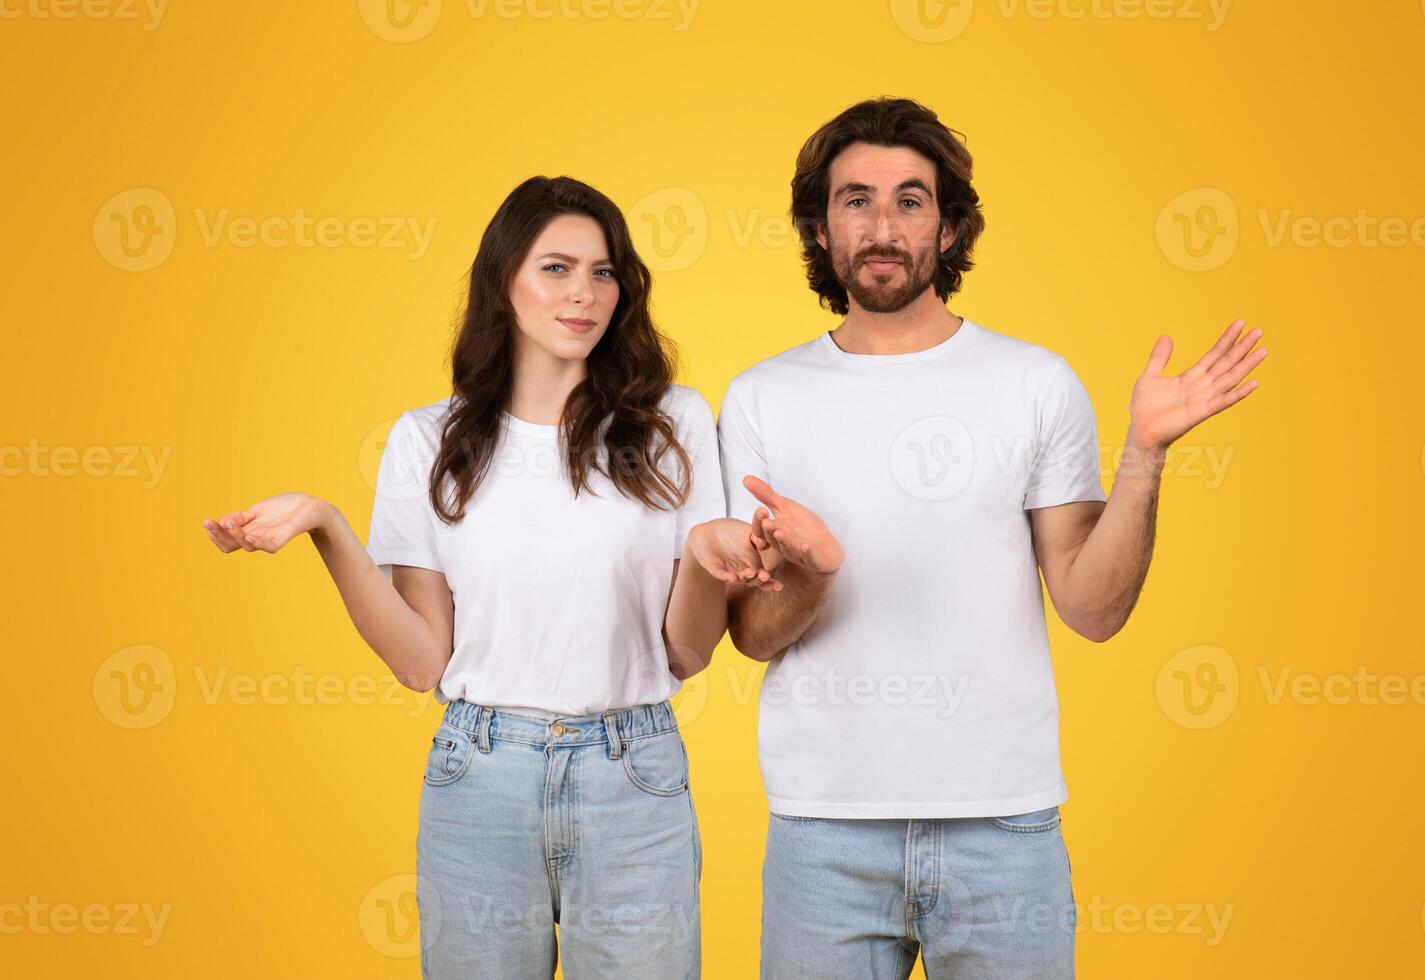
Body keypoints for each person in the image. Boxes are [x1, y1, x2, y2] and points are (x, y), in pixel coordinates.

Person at [716, 97, 1268, 979]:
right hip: (823, 829)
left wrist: (1144, 456)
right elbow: (749, 633)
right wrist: (815, 575)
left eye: (910, 199)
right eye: (856, 200)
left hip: (1006, 831)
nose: (883, 224)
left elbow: (1093, 610)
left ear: (950, 225)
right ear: (821, 229)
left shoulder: (1034, 382)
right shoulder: (760, 398)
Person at [203, 175, 776, 979]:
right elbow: (418, 662)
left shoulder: (671, 424)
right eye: (557, 268)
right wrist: (327, 526)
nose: (584, 293)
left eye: (604, 272)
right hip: (480, 778)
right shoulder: (426, 442)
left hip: (634, 774)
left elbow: (687, 652)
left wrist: (711, 557)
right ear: (502, 284)